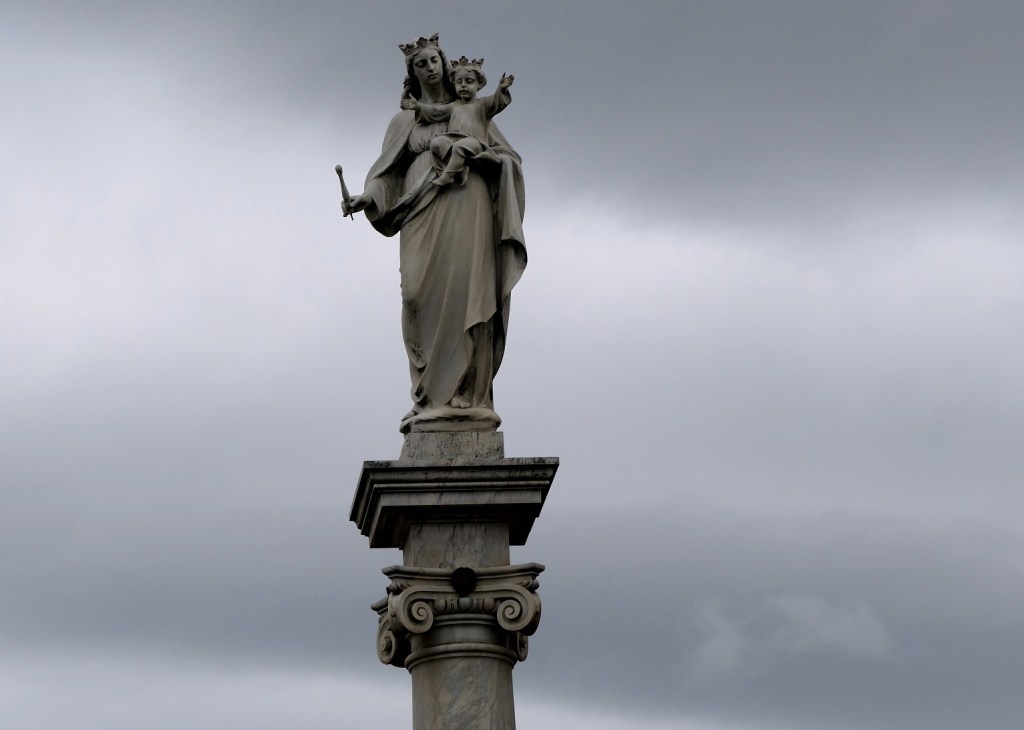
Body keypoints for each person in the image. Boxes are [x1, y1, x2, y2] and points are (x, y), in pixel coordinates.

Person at [341, 34, 526, 433]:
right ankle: (428, 395)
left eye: (433, 60)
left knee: (467, 291)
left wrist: (486, 158)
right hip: (419, 209)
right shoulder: (404, 121)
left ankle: (467, 395)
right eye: (420, 63)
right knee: (414, 295)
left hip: (468, 204)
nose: (429, 68)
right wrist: (367, 198)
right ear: (412, 73)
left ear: (444, 63)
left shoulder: (471, 110)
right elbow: (386, 174)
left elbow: (508, 160)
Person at [399, 56, 515, 187]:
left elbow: (496, 101)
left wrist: (501, 89)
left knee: (460, 146)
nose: (463, 85)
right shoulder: (453, 106)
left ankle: (448, 176)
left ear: (479, 85)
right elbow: (435, 112)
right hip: (453, 139)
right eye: (459, 82)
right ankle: (459, 168)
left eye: (469, 81)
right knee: (437, 143)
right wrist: (418, 106)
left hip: (475, 143)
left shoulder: (482, 104)